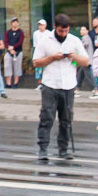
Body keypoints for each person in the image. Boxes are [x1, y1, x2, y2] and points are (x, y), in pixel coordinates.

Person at [33, 13, 89, 163]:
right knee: (47, 117)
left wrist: (72, 56)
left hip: (69, 85)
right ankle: (43, 148)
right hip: (50, 84)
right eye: (60, 31)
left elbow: (85, 61)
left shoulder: (74, 41)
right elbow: (36, 62)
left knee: (66, 119)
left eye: (66, 31)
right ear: (55, 28)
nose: (63, 34)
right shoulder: (45, 40)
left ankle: (63, 150)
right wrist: (52, 57)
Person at [4, 17, 26, 87]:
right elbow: (6, 41)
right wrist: (9, 48)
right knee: (7, 66)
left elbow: (20, 42)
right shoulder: (8, 32)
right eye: (13, 22)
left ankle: (16, 83)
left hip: (18, 51)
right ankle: (8, 83)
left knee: (17, 67)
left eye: (16, 22)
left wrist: (13, 47)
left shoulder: (21, 32)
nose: (15, 23)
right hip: (9, 52)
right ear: (11, 23)